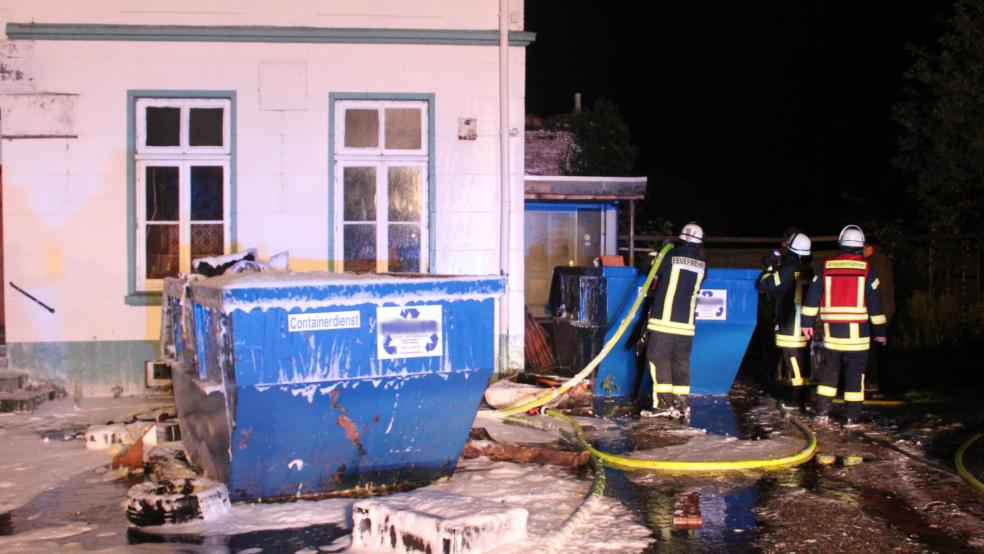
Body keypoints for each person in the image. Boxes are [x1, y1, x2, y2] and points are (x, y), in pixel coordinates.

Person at [801, 225, 888, 426]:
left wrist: (807, 323)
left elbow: (813, 294)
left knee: (829, 374)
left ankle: (822, 412)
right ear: (861, 246)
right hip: (859, 336)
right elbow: (875, 303)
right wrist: (880, 332)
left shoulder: (827, 266)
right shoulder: (868, 269)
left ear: (841, 243)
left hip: (832, 335)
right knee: (854, 377)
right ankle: (852, 417)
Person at [641, 222, 707, 420]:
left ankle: (662, 405)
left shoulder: (670, 256)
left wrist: (658, 252)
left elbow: (647, 267)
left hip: (664, 321)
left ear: (682, 237)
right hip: (686, 325)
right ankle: (682, 404)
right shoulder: (703, 263)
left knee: (657, 358)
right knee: (680, 362)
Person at [757, 229, 814, 411]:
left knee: (793, 360)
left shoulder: (789, 269)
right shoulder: (806, 269)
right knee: (801, 360)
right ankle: (803, 396)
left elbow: (765, 285)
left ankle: (798, 399)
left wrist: (768, 266)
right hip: (804, 321)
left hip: (791, 322)